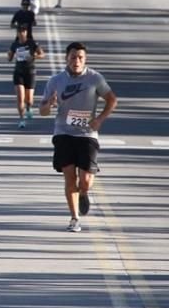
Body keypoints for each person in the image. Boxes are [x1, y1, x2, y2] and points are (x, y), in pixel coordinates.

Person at [39, 42, 118, 233]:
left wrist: (99, 119)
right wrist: (49, 104)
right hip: (63, 132)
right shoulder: (55, 81)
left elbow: (112, 99)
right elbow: (42, 111)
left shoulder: (94, 78)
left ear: (85, 59)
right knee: (69, 176)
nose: (77, 61)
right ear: (67, 58)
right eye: (73, 57)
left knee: (85, 180)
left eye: (80, 57)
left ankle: (83, 192)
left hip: (87, 133)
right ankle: (74, 218)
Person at [7, 26, 44, 128]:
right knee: (20, 98)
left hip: (30, 72)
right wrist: (9, 55)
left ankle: (28, 108)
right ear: (17, 33)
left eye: (23, 31)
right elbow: (9, 58)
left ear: (26, 32)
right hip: (18, 73)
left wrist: (33, 56)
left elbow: (42, 54)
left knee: (29, 100)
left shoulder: (32, 43)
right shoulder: (15, 44)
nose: (22, 33)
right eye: (20, 32)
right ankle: (21, 119)